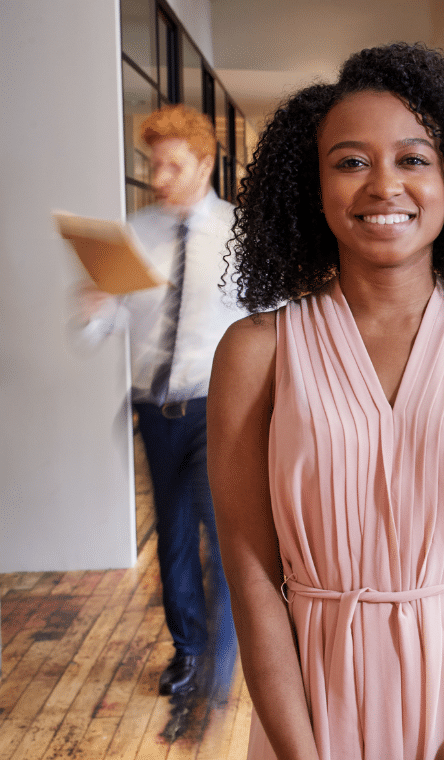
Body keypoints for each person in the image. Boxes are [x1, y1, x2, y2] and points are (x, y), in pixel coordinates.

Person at [207, 43, 444, 760]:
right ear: (312, 184)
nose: (383, 185)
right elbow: (251, 573)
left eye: (413, 159)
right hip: (313, 704)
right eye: (350, 161)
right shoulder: (257, 352)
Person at [77, 104, 243, 698]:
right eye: (154, 165)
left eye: (174, 165)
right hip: (155, 408)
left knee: (221, 531)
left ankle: (227, 654)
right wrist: (96, 309)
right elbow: (99, 331)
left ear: (205, 162)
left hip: (219, 406)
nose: (160, 178)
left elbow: (268, 323)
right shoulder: (133, 236)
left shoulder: (239, 234)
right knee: (172, 537)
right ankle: (190, 650)